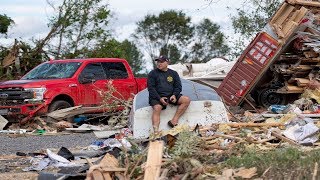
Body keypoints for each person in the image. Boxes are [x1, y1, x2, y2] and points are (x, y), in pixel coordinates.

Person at [147, 55, 191, 133]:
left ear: (167, 62)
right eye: (158, 62)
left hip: (171, 96)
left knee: (186, 100)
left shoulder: (173, 73)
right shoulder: (152, 73)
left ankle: (174, 121)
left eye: (161, 62)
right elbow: (151, 88)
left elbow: (178, 87)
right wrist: (159, 98)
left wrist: (174, 95)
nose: (159, 63)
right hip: (157, 97)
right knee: (157, 108)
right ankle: (156, 132)